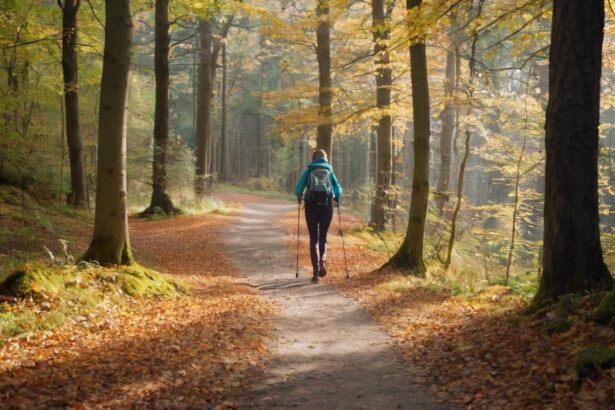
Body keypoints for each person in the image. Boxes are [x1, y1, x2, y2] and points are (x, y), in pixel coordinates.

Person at [294, 149, 343, 283]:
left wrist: (300, 197)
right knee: (323, 237)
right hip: (327, 206)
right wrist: (336, 198)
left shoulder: (309, 171)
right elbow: (338, 189)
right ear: (325, 159)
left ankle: (315, 273)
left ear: (313, 159)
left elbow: (297, 190)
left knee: (313, 238)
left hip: (311, 206)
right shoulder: (329, 171)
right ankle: (322, 263)